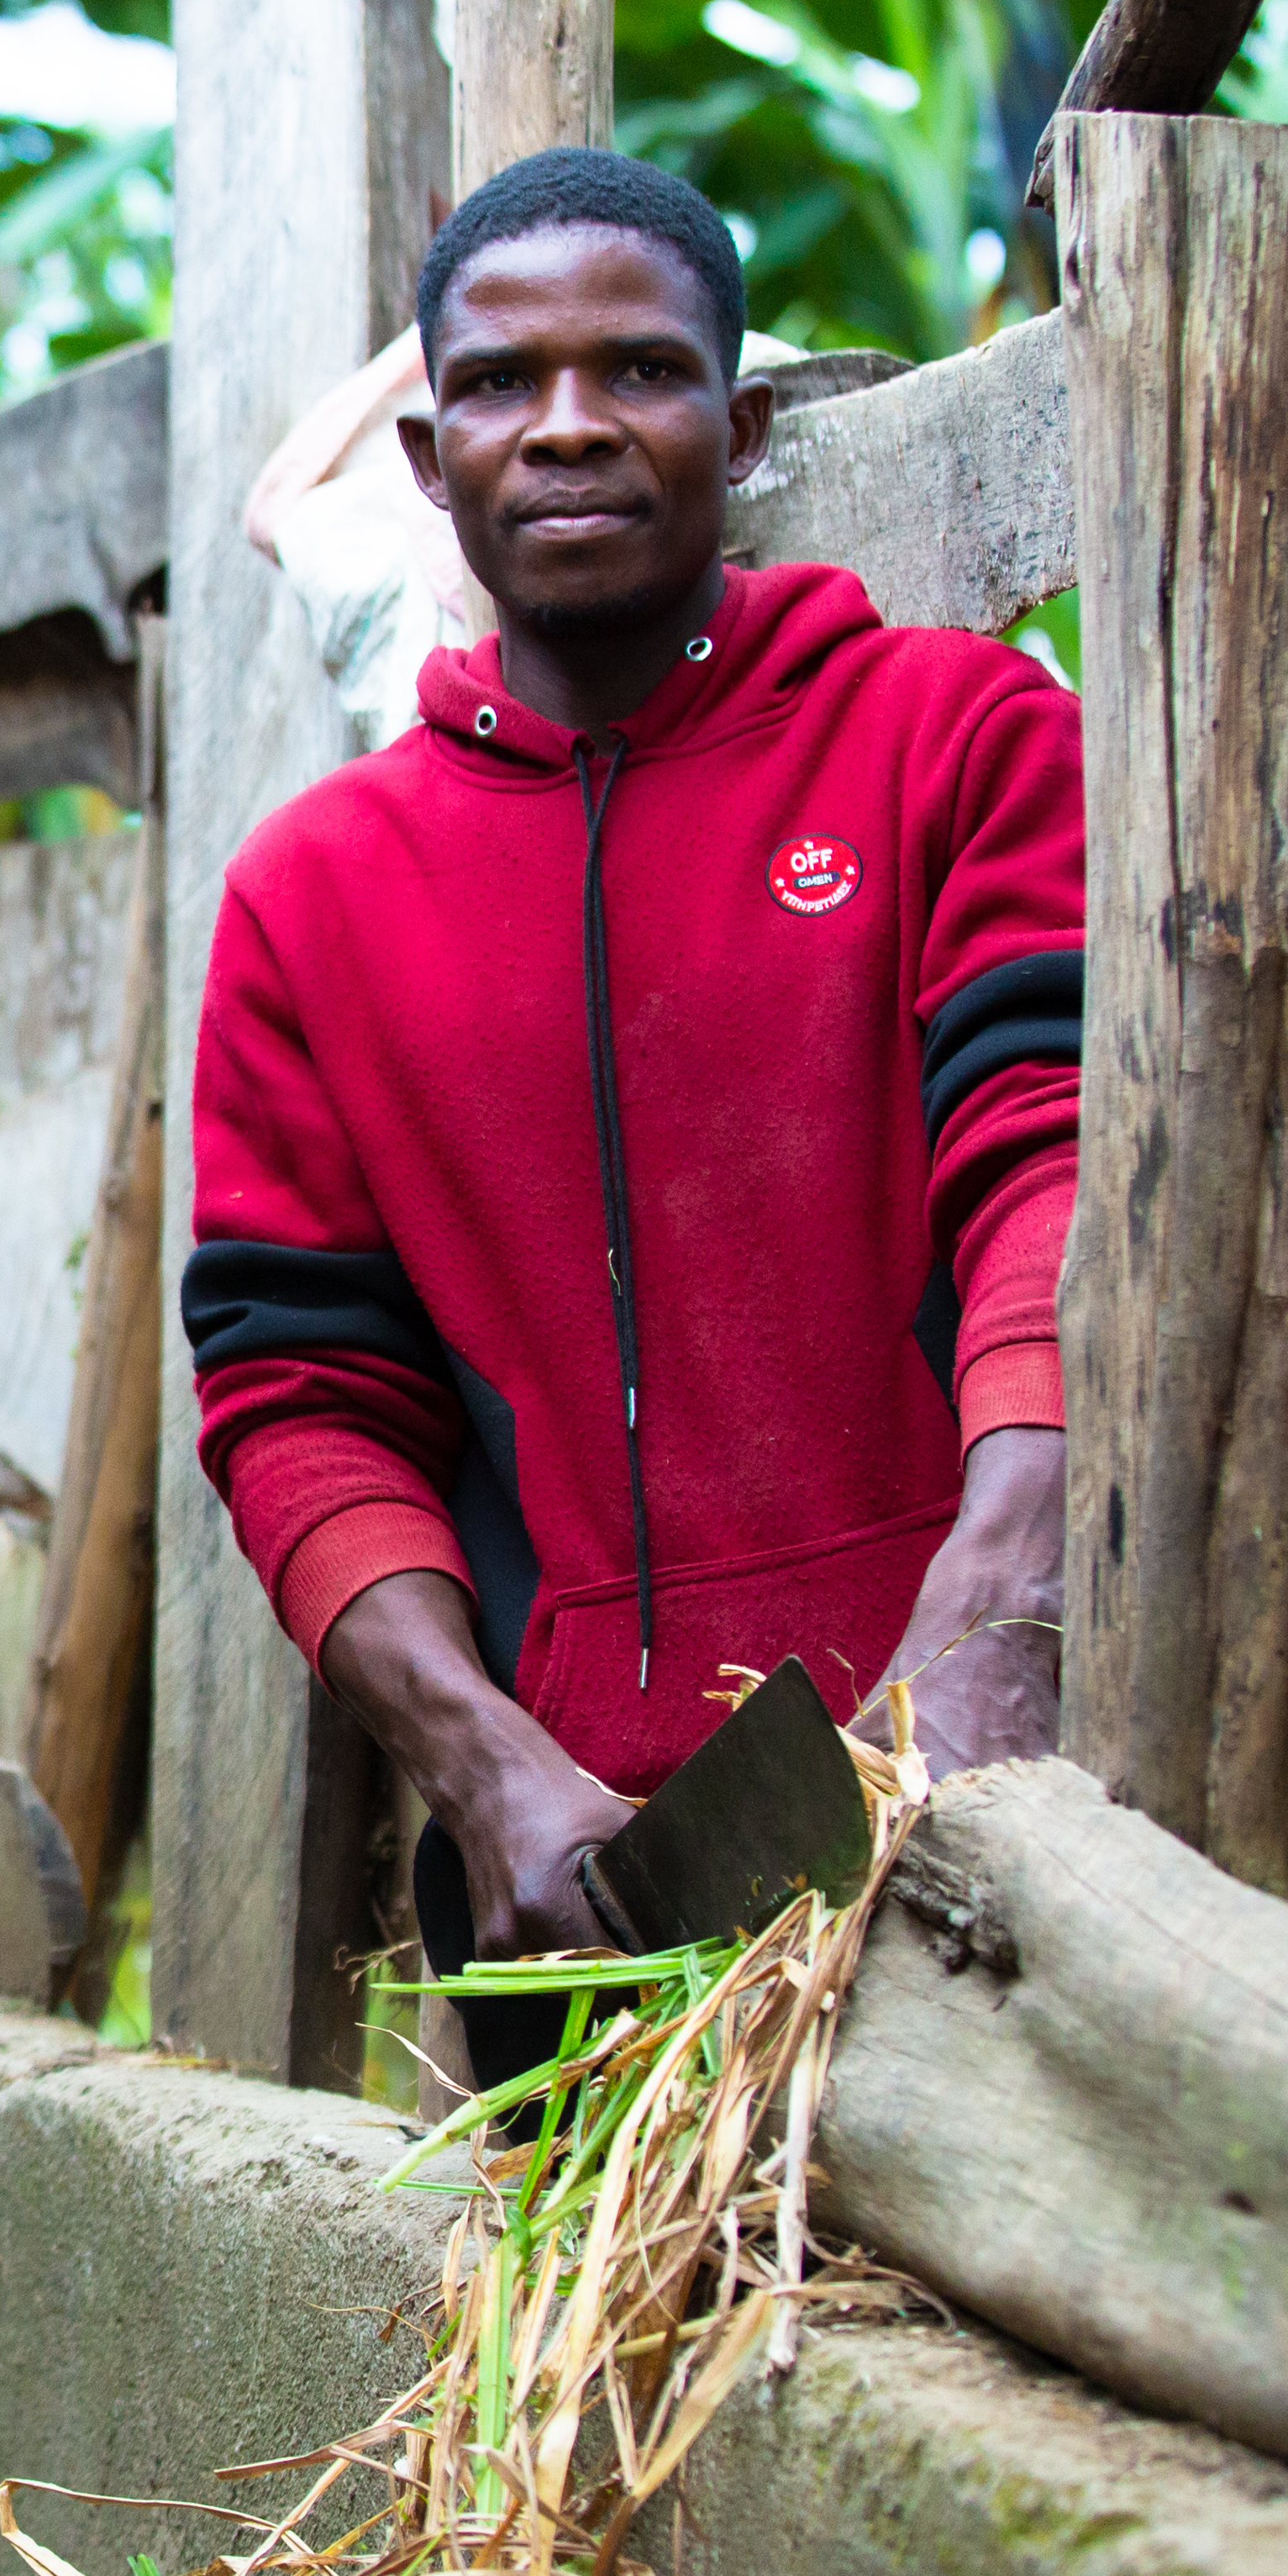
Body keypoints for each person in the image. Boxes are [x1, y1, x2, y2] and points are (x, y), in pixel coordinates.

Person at [184, 145, 1081, 2011]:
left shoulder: (958, 745)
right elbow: (293, 1392)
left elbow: (1051, 1160)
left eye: (640, 371)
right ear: (428, 467)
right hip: (572, 1912)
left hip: (994, 1825)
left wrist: (1000, 1593)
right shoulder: (307, 902)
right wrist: (485, 1765)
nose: (567, 427)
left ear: (740, 426)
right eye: (500, 384)